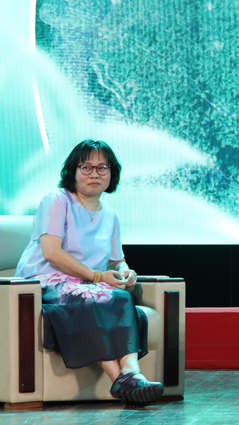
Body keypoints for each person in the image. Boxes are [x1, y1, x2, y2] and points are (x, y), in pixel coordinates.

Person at [14, 140, 163, 407]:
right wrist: (98, 277)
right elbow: (52, 252)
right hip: (44, 282)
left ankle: (131, 373)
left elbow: (117, 261)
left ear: (111, 173)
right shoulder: (57, 200)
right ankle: (122, 379)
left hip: (88, 284)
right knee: (91, 297)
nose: (95, 174)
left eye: (102, 168)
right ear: (73, 170)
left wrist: (126, 273)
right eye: (86, 167)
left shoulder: (111, 216)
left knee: (121, 297)